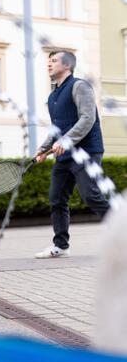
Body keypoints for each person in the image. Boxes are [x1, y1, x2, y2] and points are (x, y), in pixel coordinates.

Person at [33, 50, 110, 259]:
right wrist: (43, 148)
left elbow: (87, 118)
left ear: (67, 65)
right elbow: (56, 128)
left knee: (91, 196)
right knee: (56, 199)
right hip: (64, 156)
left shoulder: (80, 86)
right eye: (48, 61)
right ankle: (61, 246)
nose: (49, 64)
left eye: (54, 61)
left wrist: (66, 141)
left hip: (86, 152)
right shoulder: (52, 96)